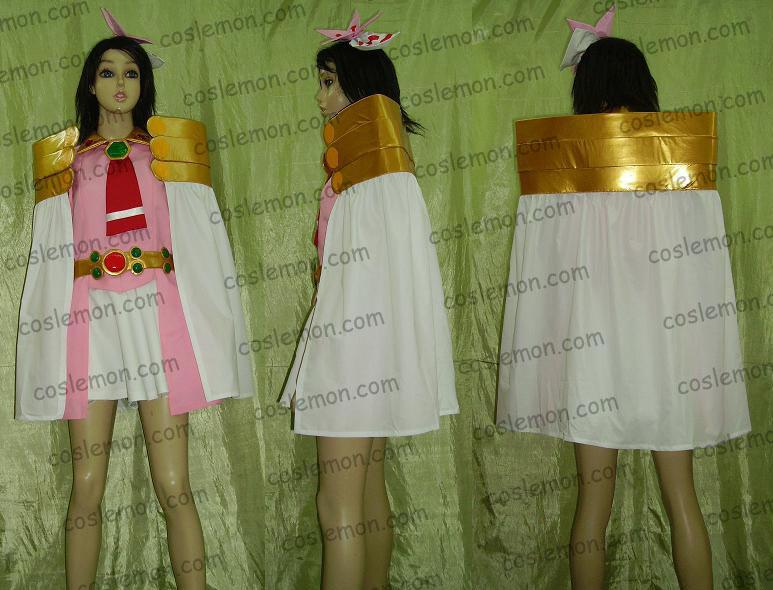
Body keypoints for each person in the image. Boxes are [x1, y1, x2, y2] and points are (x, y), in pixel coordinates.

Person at [496, 7, 751, 589]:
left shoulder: (564, 168)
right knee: (682, 496)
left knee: (593, 503)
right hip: (669, 361)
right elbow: (701, 273)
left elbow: (546, 279)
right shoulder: (679, 161)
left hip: (593, 363)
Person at [15, 9, 253, 589]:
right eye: (108, 71)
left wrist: (215, 326)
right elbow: (48, 259)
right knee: (86, 485)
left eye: (131, 73)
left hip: (156, 316)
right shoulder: (65, 166)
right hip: (92, 321)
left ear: (144, 84)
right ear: (90, 83)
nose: (120, 83)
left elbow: (202, 246)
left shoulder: (172, 157)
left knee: (174, 485)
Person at [278, 11, 459, 590]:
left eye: (328, 82)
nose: (320, 97)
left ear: (359, 85)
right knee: (370, 490)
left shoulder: (367, 173)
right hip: (373, 350)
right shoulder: (388, 170)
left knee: (337, 506)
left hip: (350, 352)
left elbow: (355, 280)